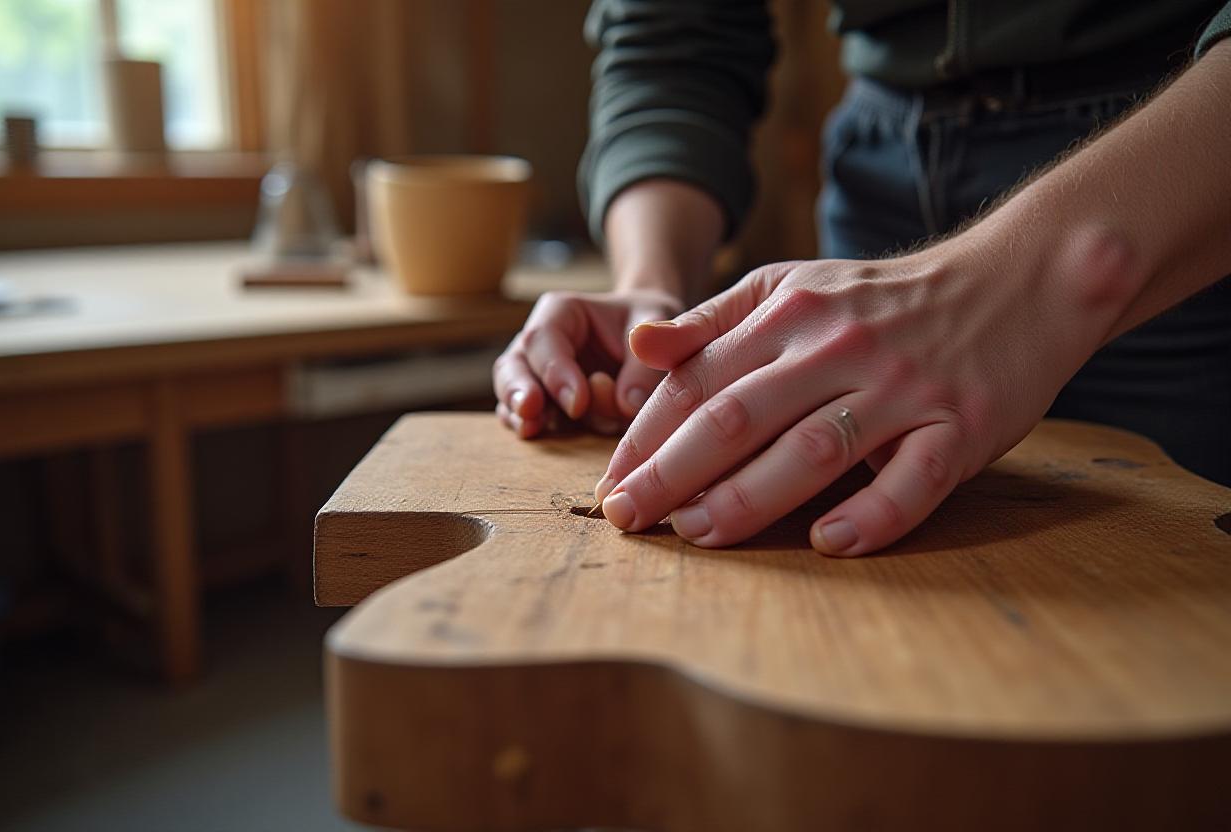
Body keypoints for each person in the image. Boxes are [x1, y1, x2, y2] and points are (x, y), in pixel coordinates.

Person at [492, 0, 1231, 556]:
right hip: (873, 189)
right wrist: (652, 292)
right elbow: (674, 41)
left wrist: (1071, 263)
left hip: (1179, 187)